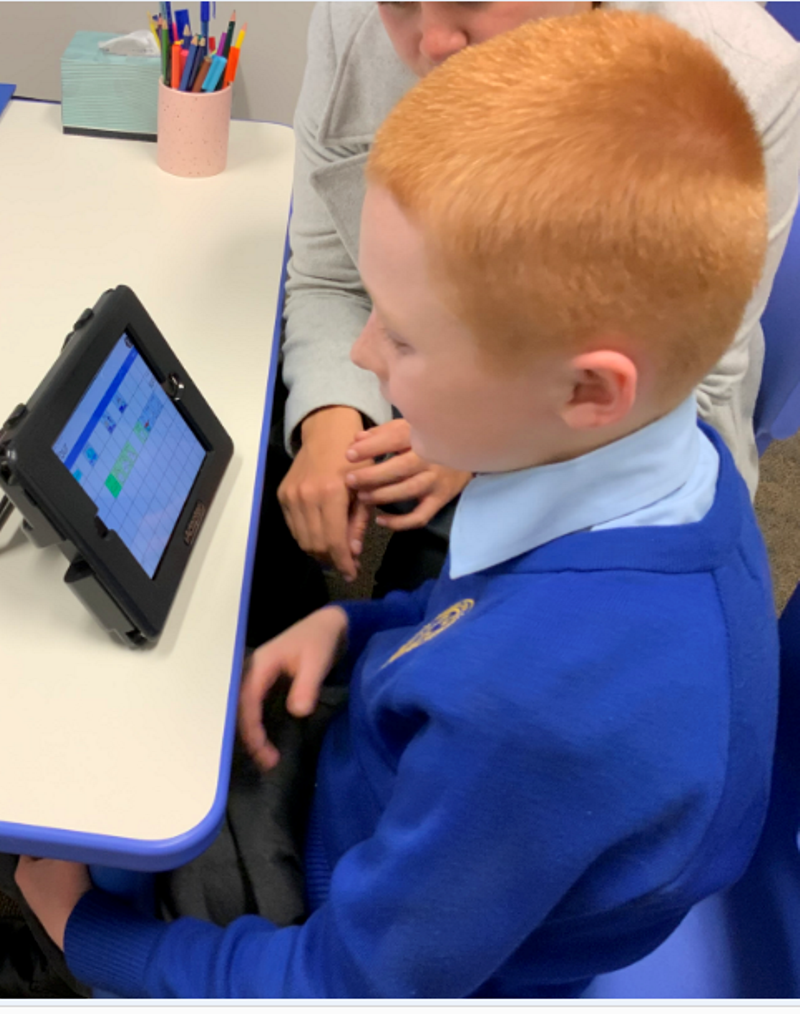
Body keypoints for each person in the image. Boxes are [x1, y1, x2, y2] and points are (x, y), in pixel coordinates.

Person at [8, 9, 781, 998]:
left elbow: (349, 983)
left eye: (407, 338)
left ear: (588, 389)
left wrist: (89, 938)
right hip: (399, 789)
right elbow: (487, 610)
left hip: (361, 905)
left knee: (99, 797)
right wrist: (353, 621)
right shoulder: (665, 478)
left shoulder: (539, 711)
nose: (363, 358)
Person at [245, 0, 800, 640]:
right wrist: (328, 417)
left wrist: (482, 445)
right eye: (397, 3)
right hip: (470, 386)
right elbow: (328, 274)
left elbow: (690, 380)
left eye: (472, 0)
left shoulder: (746, 73)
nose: (431, 40)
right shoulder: (358, 25)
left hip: (581, 443)